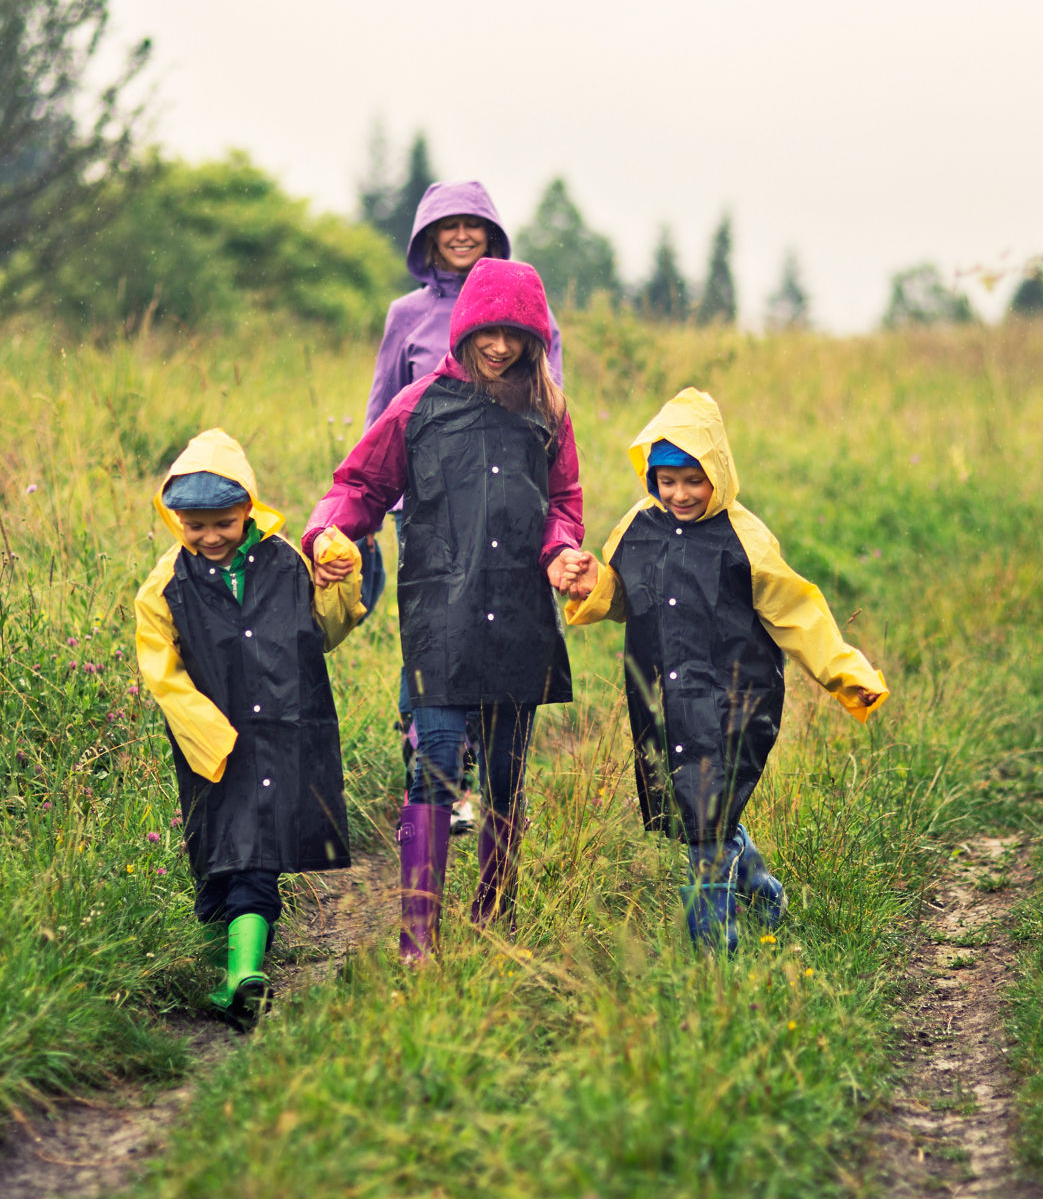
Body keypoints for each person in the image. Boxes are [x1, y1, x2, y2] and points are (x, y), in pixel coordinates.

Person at [306, 258, 587, 963]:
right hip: (440, 617)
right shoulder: (418, 407)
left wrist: (560, 551)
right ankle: (418, 936)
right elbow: (359, 486)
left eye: (517, 336)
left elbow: (563, 503)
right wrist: (331, 534)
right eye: (489, 332)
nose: (501, 347)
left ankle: (495, 913)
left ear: (536, 339)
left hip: (520, 615)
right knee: (432, 763)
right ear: (465, 329)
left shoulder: (548, 413)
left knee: (504, 775)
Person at [564, 388, 889, 951]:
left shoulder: (746, 538)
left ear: (717, 471)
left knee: (706, 821)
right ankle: (760, 885)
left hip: (735, 697)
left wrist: (842, 672)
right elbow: (625, 595)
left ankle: (715, 956)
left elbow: (796, 610)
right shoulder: (638, 526)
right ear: (652, 479)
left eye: (694, 479)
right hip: (663, 698)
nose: (680, 494)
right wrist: (594, 583)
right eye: (667, 481)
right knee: (691, 810)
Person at [134, 429, 367, 1025]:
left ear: (248, 511)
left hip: (285, 731)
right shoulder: (166, 585)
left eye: (224, 523)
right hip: (215, 743)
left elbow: (324, 632)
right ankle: (226, 965)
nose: (210, 537)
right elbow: (161, 669)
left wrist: (338, 580)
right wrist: (204, 730)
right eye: (194, 525)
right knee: (217, 860)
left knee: (256, 857)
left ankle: (244, 977)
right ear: (174, 519)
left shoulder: (289, 562)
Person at [359, 181, 564, 837]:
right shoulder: (404, 314)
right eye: (446, 227)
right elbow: (384, 409)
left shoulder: (530, 312)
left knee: (495, 641)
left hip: (502, 510)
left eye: (472, 226)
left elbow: (545, 399)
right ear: (425, 237)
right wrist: (372, 506)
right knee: (433, 640)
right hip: (428, 507)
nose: (461, 236)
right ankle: (433, 776)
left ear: (492, 233)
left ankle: (467, 780)